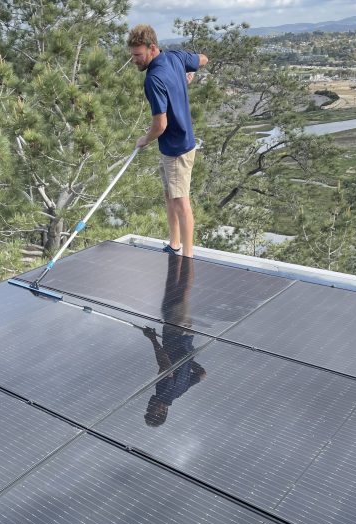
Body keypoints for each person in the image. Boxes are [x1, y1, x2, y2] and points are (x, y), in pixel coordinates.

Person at [127, 24, 208, 258]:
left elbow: (160, 125)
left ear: (152, 48)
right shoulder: (175, 57)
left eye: (138, 55)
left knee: (181, 201)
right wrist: (183, 79)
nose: (134, 60)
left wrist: (145, 139)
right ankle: (174, 245)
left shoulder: (153, 79)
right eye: (132, 55)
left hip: (176, 148)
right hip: (177, 145)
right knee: (170, 196)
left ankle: (187, 256)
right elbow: (203, 59)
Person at [143, 254, 206, 427]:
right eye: (150, 411)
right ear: (161, 411)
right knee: (179, 289)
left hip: (185, 334)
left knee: (176, 289)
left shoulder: (177, 393)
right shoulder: (163, 393)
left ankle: (178, 249)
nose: (147, 407)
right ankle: (185, 249)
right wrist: (152, 339)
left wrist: (188, 359)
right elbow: (166, 367)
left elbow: (202, 374)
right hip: (176, 333)